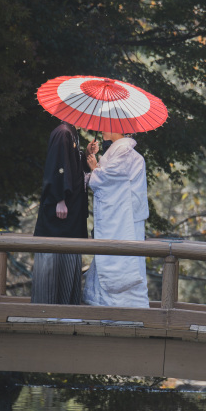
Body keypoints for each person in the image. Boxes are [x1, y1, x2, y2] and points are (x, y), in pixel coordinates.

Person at [32, 122, 97, 304]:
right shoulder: (63, 133)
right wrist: (59, 198)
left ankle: (67, 306)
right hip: (61, 207)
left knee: (69, 256)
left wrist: (86, 154)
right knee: (55, 258)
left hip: (72, 209)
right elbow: (57, 167)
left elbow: (74, 169)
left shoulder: (71, 133)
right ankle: (50, 308)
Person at [83, 131, 150, 307]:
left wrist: (94, 168)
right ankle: (114, 305)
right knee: (123, 259)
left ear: (116, 129)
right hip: (125, 216)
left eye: (106, 127)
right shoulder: (121, 152)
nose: (103, 131)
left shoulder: (124, 152)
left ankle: (120, 307)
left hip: (124, 218)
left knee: (123, 261)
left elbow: (108, 180)